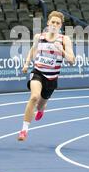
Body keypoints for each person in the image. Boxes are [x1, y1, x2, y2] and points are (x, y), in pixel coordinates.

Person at [17, 11, 75, 141]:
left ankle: (42, 109)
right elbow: (33, 50)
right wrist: (26, 64)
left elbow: (72, 60)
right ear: (48, 23)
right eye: (52, 22)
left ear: (61, 25)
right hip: (38, 72)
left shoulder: (64, 40)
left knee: (40, 105)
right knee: (34, 97)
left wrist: (62, 51)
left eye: (57, 23)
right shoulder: (39, 36)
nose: (54, 25)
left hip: (52, 78)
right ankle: (24, 130)